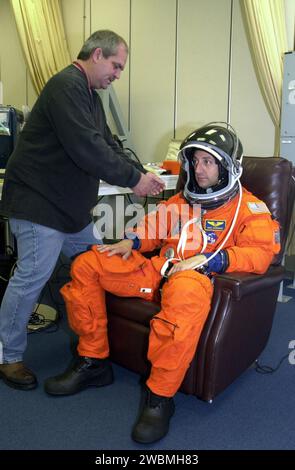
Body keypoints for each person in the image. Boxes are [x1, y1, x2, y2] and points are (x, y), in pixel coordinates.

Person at [44, 123, 280, 444]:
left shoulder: (249, 208)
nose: (198, 169)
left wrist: (215, 260)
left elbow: (261, 251)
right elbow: (153, 226)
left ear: (227, 166)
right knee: (89, 264)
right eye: (194, 161)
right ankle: (93, 360)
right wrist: (132, 241)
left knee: (184, 289)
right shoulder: (182, 202)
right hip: (158, 272)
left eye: (208, 162)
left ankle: (159, 396)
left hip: (195, 282)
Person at [0, 30, 165, 391]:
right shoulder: (66, 85)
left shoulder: (91, 96)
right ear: (97, 55)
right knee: (31, 279)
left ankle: (94, 348)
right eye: (116, 65)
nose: (118, 74)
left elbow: (106, 142)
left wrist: (140, 172)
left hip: (69, 209)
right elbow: (87, 147)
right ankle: (8, 356)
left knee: (97, 262)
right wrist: (134, 180)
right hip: (39, 202)